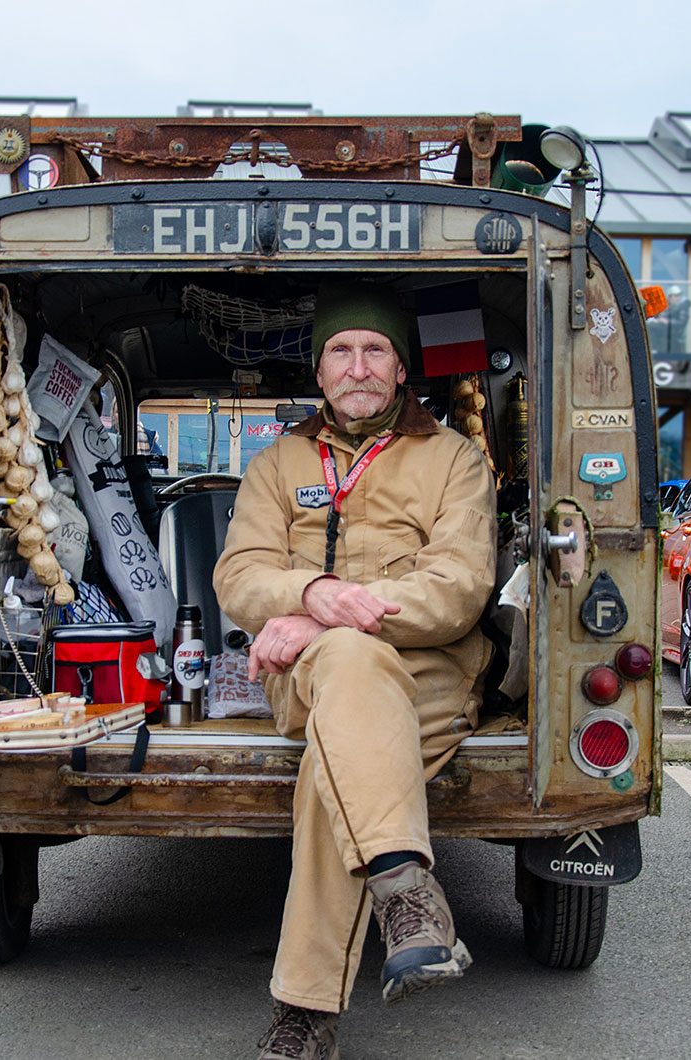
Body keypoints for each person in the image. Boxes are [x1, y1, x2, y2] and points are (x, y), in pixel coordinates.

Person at [212, 284, 496, 1059]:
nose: (358, 366)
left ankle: (304, 1016)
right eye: (341, 350)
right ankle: (405, 889)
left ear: (402, 369)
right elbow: (239, 575)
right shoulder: (278, 461)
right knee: (343, 657)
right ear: (320, 370)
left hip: (428, 676)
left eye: (376, 350)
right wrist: (311, 595)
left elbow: (459, 587)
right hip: (306, 676)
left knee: (329, 772)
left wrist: (327, 612)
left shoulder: (455, 459)